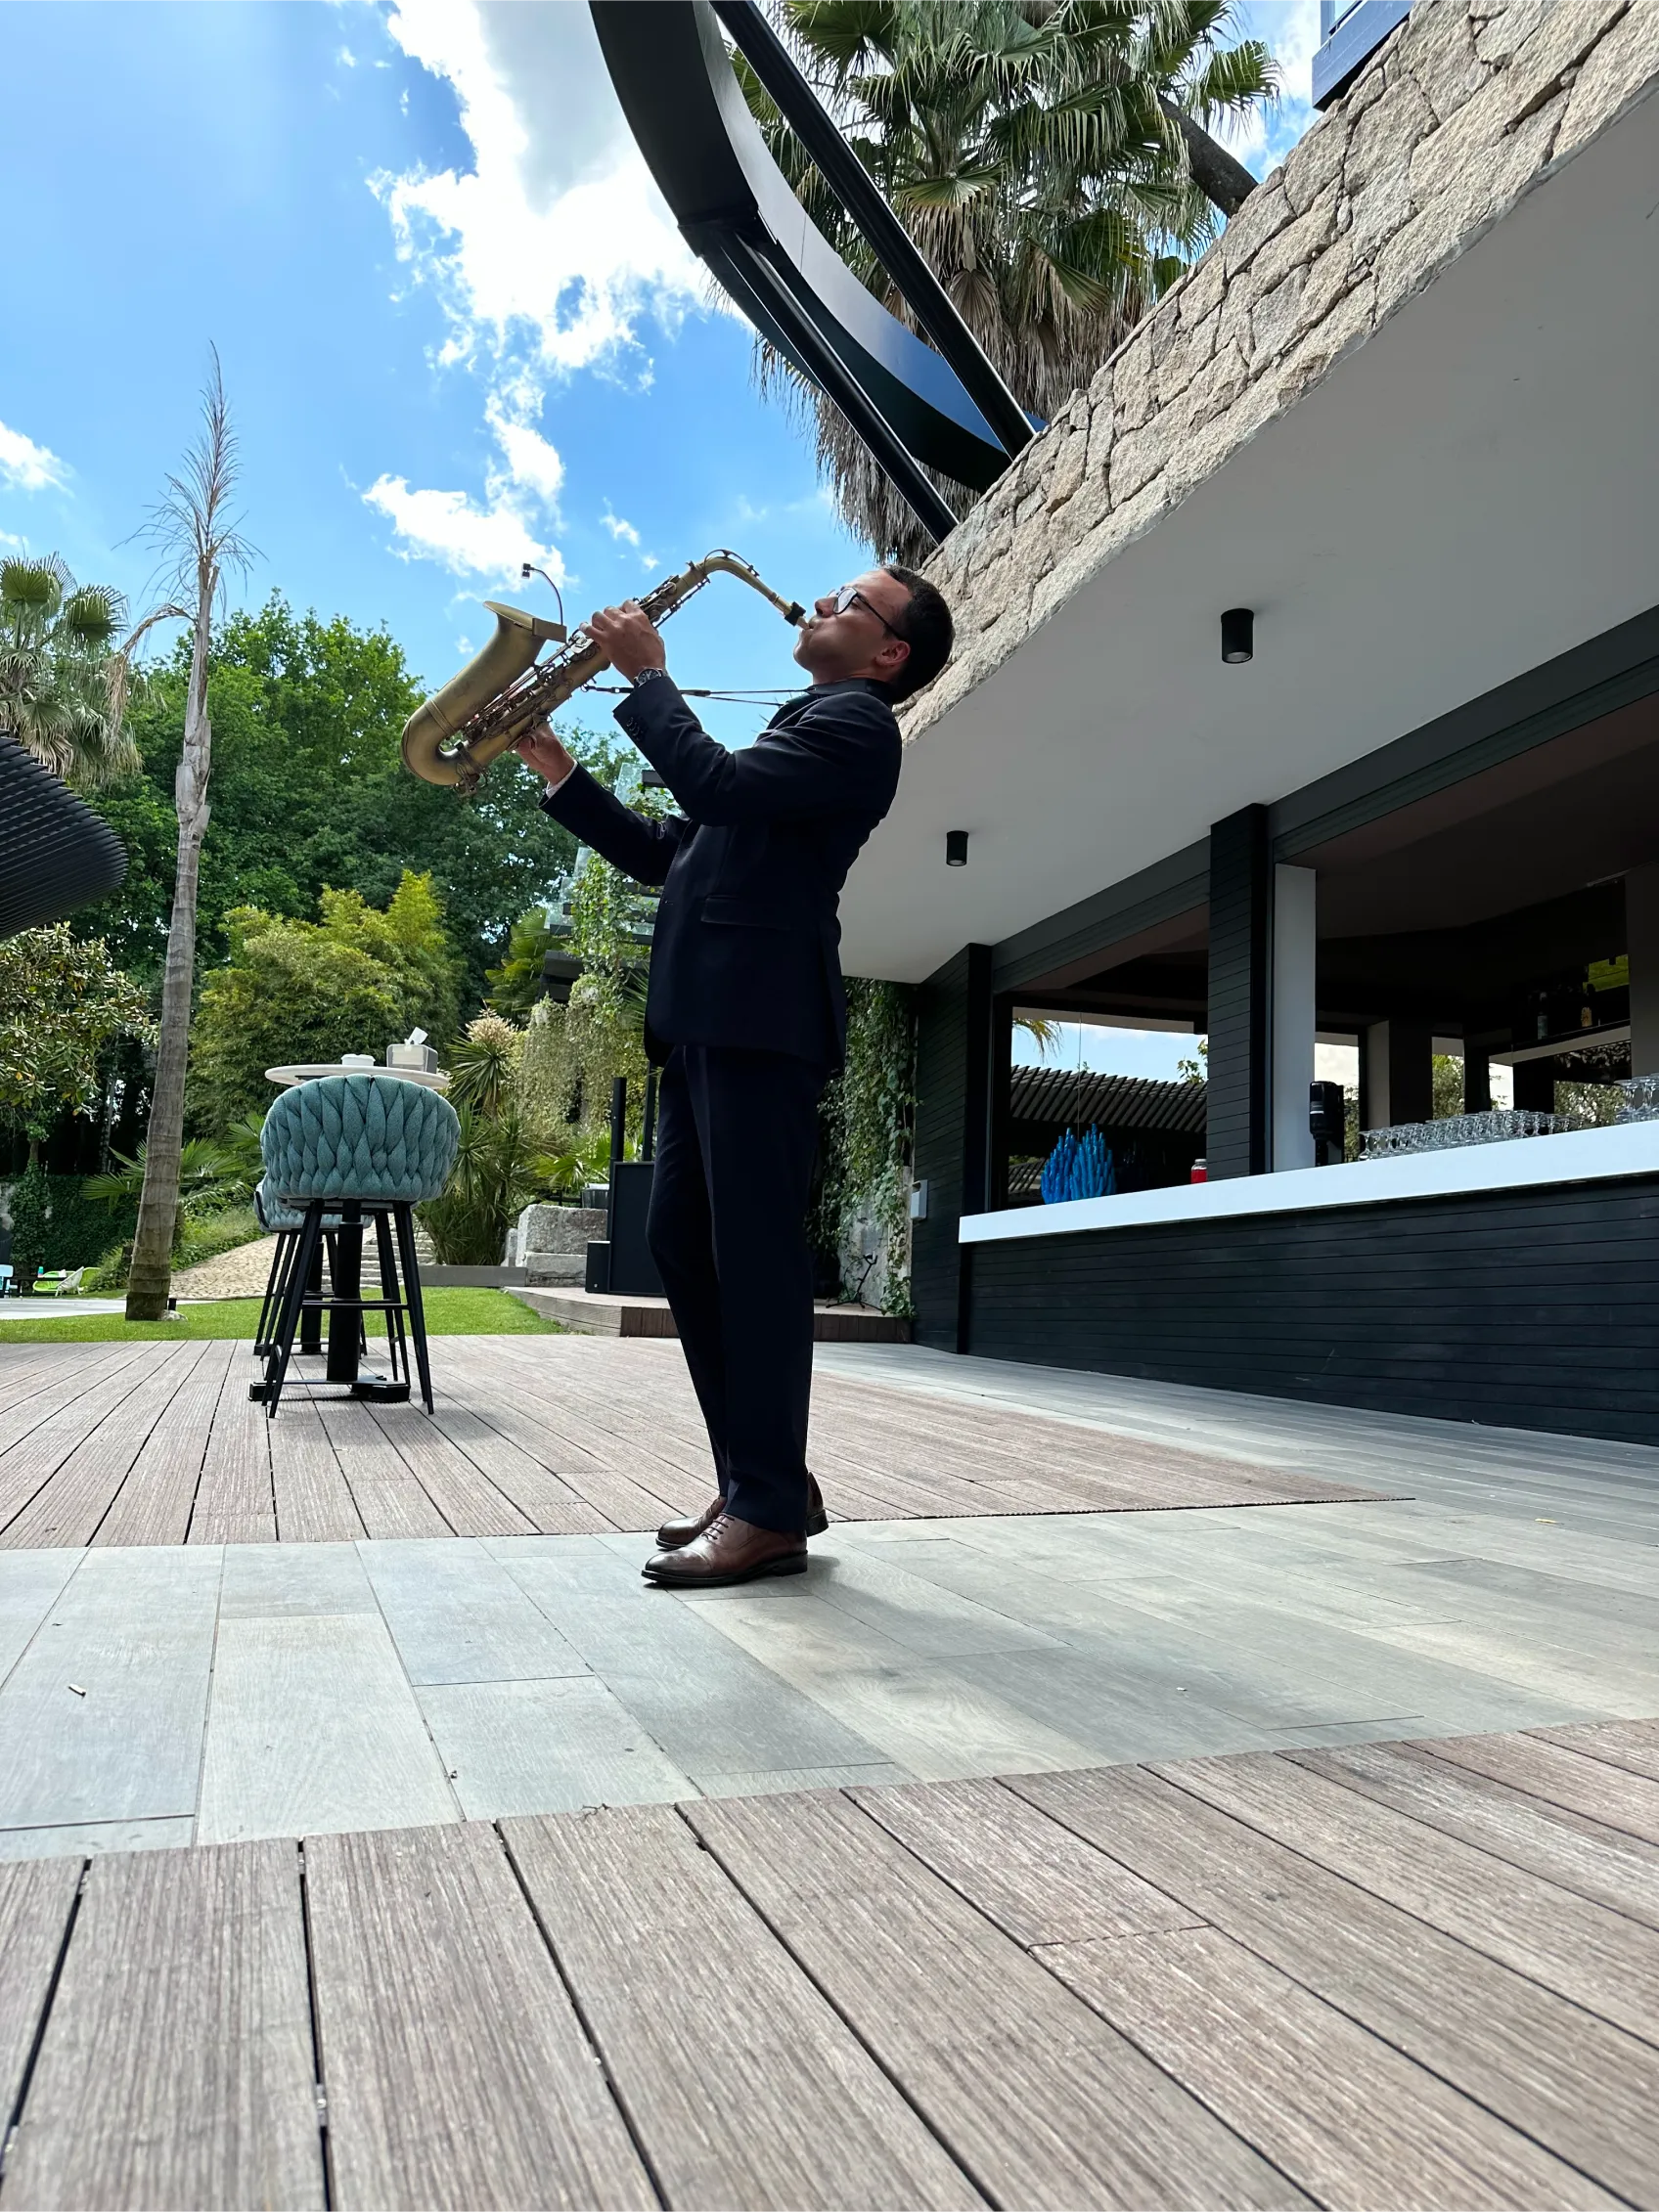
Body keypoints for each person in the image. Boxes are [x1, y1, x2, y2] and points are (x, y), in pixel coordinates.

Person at [515, 566, 953, 1588]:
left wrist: (646, 676)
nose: (822, 602)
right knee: (682, 1241)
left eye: (851, 601)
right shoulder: (804, 726)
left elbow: (710, 787)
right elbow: (671, 851)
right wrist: (559, 771)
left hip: (760, 1019)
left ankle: (766, 1509)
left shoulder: (858, 725)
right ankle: (764, 1482)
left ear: (890, 654)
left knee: (753, 1259)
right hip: (709, 1019)